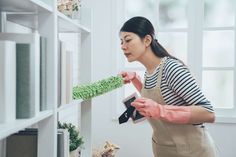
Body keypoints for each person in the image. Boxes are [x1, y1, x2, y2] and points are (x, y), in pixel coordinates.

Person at [119, 16, 217, 157]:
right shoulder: (149, 71)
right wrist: (135, 79)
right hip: (165, 150)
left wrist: (159, 110)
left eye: (128, 40)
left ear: (147, 40)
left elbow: (208, 113)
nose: (122, 46)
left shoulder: (171, 68)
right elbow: (161, 97)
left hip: (193, 152)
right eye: (121, 42)